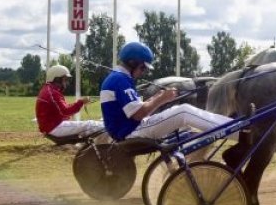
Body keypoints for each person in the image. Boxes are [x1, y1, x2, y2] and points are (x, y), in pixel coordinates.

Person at [99, 41, 234, 144]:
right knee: (184, 111)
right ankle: (236, 129)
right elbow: (138, 115)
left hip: (127, 129)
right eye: (143, 68)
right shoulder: (120, 80)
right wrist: (162, 99)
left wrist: (157, 97)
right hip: (130, 131)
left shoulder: (117, 78)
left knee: (182, 119)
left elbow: (134, 110)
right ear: (132, 62)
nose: (143, 72)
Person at [35, 64, 104, 140]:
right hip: (54, 127)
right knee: (91, 125)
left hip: (52, 126)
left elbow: (64, 109)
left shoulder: (49, 90)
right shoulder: (52, 93)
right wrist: (81, 102)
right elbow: (66, 111)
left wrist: (80, 103)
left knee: (92, 125)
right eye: (64, 79)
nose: (66, 83)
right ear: (57, 79)